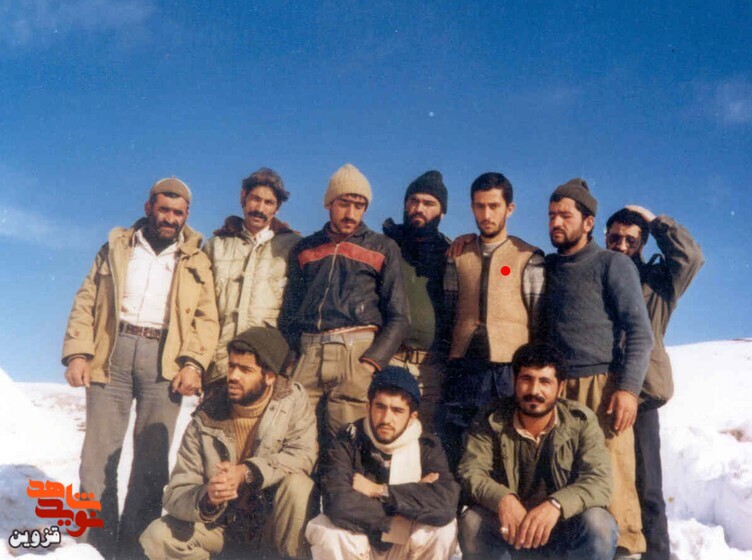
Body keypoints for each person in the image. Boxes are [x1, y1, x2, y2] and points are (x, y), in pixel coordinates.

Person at [61, 178, 219, 558]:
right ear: (149, 208)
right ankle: (94, 549)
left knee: (151, 463)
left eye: (178, 213)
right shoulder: (116, 247)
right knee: (96, 460)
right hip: (111, 352)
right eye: (163, 210)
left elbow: (206, 318)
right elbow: (86, 300)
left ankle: (135, 551)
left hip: (164, 360)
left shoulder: (197, 259)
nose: (170, 218)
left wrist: (193, 363)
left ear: (187, 215)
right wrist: (78, 353)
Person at [139, 326, 317, 560]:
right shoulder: (207, 416)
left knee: (298, 486)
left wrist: (246, 472)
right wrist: (208, 498)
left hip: (271, 527)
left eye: (245, 370)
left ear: (270, 376)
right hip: (222, 528)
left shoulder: (292, 401)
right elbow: (176, 493)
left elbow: (303, 456)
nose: (233, 376)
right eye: (232, 366)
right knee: (158, 536)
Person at [545, 178, 654, 559]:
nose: (556, 222)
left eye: (565, 215)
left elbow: (640, 332)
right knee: (562, 483)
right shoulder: (547, 266)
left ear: (589, 222)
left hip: (603, 387)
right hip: (556, 391)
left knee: (614, 485)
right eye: (551, 215)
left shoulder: (613, 264)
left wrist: (628, 389)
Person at [279, 163, 409, 440]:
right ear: (329, 203)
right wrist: (292, 357)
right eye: (344, 204)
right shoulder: (304, 248)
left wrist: (371, 362)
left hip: (356, 353)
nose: (351, 213)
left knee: (347, 441)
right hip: (308, 352)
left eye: (359, 206)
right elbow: (288, 311)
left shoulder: (383, 247)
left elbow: (398, 315)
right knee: (291, 435)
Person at [605, 206, 704, 560]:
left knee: (647, 486)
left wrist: (655, 221)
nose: (621, 246)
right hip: (599, 392)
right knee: (601, 483)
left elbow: (691, 257)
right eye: (615, 238)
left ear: (643, 243)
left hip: (642, 394)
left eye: (631, 240)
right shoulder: (597, 275)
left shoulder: (658, 283)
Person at [458, 343, 618, 560]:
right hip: (511, 531)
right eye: (526, 379)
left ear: (560, 388)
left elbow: (599, 481)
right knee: (472, 522)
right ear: (515, 382)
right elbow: (471, 471)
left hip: (562, 530)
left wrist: (557, 504)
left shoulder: (581, 420)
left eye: (545, 382)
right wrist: (503, 499)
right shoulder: (491, 419)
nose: (534, 391)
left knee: (599, 524)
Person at [440, 171, 546, 469]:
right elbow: (448, 310)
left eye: (494, 206)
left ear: (509, 208)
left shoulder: (528, 256)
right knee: (457, 449)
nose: (486, 214)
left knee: (505, 451)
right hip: (463, 368)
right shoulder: (458, 255)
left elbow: (539, 319)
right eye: (480, 206)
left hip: (507, 371)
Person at [305, 366, 460, 559]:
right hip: (362, 539)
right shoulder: (348, 439)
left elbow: (444, 505)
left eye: (397, 411)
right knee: (329, 532)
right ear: (368, 408)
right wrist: (411, 499)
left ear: (412, 417)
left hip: (404, 544)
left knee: (443, 530)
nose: (386, 419)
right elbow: (338, 503)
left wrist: (380, 491)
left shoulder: (427, 446)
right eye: (380, 407)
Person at [203, 167, 301, 390]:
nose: (260, 208)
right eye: (255, 199)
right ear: (243, 198)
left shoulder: (292, 248)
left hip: (265, 367)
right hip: (219, 365)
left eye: (269, 202)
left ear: (277, 208)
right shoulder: (216, 246)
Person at [382, 170, 451, 429]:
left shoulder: (451, 255)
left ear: (442, 212)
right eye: (414, 201)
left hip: (429, 368)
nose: (419, 208)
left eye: (429, 203)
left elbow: (502, 269)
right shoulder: (385, 246)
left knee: (424, 437)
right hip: (389, 359)